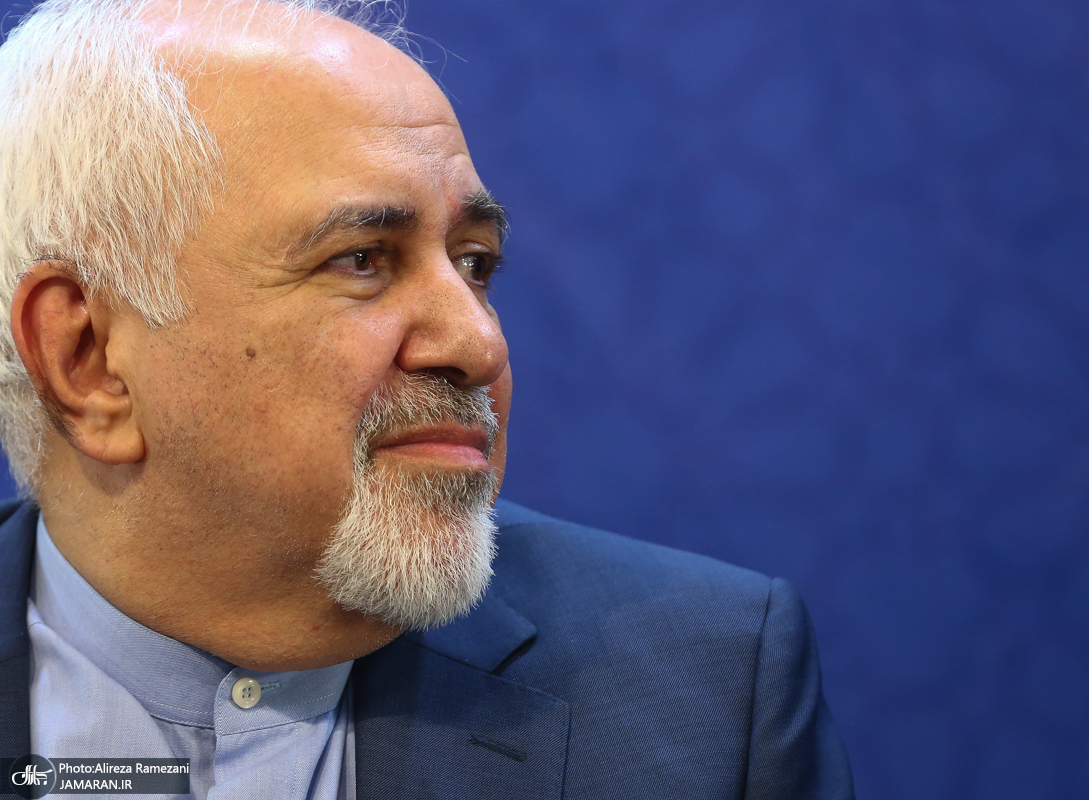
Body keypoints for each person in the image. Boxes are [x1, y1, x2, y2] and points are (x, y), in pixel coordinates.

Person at [0, 0, 854, 797]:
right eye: (362, 259)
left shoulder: (711, 691)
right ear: (90, 361)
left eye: (475, 263)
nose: (480, 346)